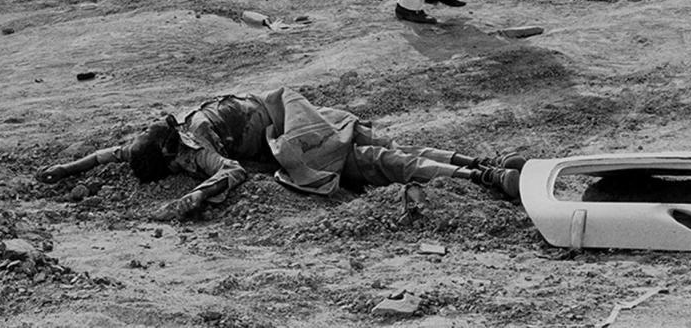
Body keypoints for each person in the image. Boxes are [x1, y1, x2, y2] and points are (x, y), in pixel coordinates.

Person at [36, 87, 524, 221]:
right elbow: (109, 154)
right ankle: (483, 166)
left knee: (381, 162)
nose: (176, 169)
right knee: (388, 149)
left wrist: (186, 202)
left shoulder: (194, 140)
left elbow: (228, 174)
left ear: (171, 151)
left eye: (171, 166)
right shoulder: (163, 136)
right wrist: (69, 167)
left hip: (295, 132)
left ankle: (486, 178)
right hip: (289, 113)